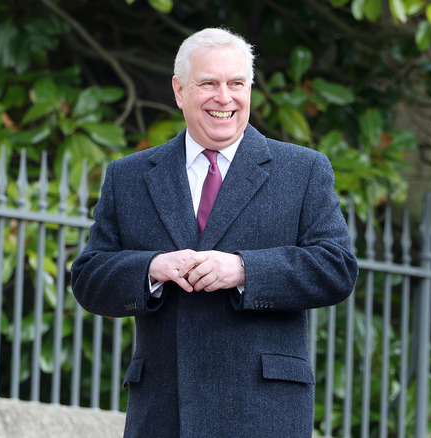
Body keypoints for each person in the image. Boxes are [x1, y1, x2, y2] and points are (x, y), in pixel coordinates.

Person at [71, 27, 358, 437]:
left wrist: (244, 270)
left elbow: (336, 269)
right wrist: (151, 268)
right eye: (208, 83)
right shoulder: (128, 176)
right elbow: (88, 278)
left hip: (264, 412)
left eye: (236, 83)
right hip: (163, 413)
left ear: (250, 89)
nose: (224, 98)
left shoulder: (303, 170)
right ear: (179, 90)